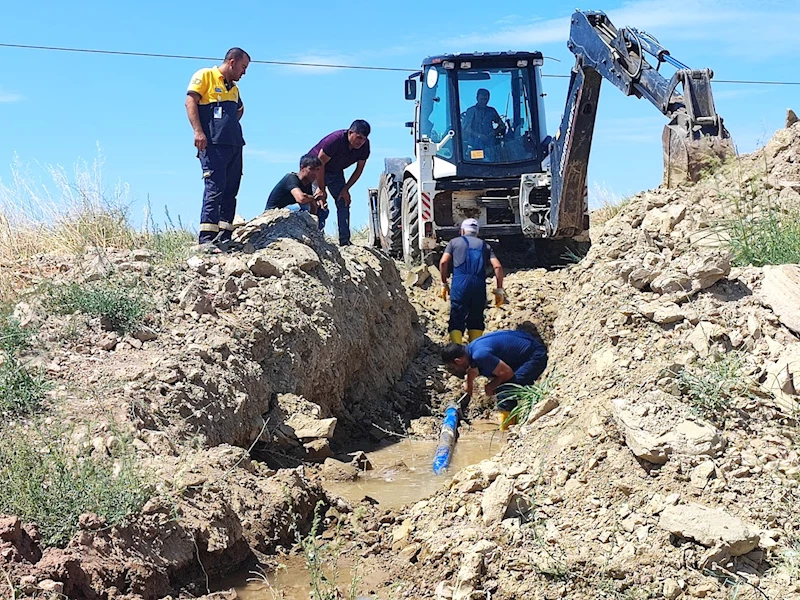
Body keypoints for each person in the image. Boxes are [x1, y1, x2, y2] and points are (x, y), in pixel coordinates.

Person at [185, 47, 250, 245]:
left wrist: (229, 125)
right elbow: (190, 102)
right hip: (213, 145)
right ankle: (207, 240)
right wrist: (199, 131)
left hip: (234, 145)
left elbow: (240, 109)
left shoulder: (234, 88)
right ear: (232, 62)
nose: (244, 72)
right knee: (215, 189)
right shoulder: (205, 75)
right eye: (243, 67)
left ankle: (225, 237)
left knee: (231, 190)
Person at [441, 329, 548, 429]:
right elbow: (476, 370)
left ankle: (506, 431)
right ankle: (513, 422)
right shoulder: (471, 349)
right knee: (496, 378)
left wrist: (491, 386)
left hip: (534, 356)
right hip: (524, 350)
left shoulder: (480, 355)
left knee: (505, 390)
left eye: (453, 367)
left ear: (458, 361)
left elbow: (507, 373)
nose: (454, 371)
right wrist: (469, 383)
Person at [439, 218, 504, 344]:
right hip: (478, 286)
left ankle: (457, 349)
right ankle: (474, 351)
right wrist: (499, 289)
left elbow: (443, 262)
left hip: (459, 285)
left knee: (457, 316)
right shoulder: (485, 245)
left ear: (462, 231)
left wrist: (444, 282)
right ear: (477, 232)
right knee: (476, 317)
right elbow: (498, 267)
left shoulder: (454, 242)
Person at [307, 120, 371, 246]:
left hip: (336, 172)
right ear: (350, 132)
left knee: (343, 201)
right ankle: (316, 239)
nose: (360, 142)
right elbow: (319, 165)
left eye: (363, 139)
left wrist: (346, 189)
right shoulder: (335, 140)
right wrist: (321, 188)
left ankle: (345, 241)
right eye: (358, 137)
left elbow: (359, 169)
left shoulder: (364, 147)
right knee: (319, 203)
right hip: (315, 169)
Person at [461, 88, 506, 160]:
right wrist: (479, 135)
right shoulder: (471, 111)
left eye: (486, 99)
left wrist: (493, 133)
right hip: (474, 146)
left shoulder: (491, 111)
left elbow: (502, 126)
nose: (484, 102)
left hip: (490, 145)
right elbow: (466, 128)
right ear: (477, 98)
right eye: (482, 99)